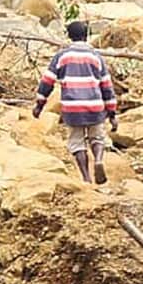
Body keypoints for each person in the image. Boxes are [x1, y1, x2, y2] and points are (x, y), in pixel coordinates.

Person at [32, 21, 118, 184]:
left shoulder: (61, 56)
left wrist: (39, 105)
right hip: (95, 106)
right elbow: (107, 86)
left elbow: (47, 82)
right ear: (86, 36)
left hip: (72, 108)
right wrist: (112, 113)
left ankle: (86, 178)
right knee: (98, 137)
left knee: (76, 141)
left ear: (69, 36)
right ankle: (98, 159)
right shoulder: (96, 57)